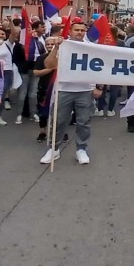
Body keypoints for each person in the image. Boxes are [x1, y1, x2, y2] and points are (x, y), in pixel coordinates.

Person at [40, 21, 103, 166]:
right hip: (64, 89)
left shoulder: (91, 47)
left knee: (84, 122)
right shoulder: (63, 45)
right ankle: (53, 149)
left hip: (85, 89)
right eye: (77, 30)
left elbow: (101, 67)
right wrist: (56, 48)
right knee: (59, 121)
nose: (80, 32)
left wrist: (99, 86)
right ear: (70, 31)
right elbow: (49, 65)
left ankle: (81, 149)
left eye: (82, 30)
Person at [14, 19, 44, 124]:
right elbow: (16, 58)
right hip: (24, 71)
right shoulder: (20, 45)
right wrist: (21, 67)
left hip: (35, 71)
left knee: (33, 94)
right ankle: (19, 114)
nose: (32, 32)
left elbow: (42, 56)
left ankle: (33, 113)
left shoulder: (39, 43)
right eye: (29, 30)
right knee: (22, 94)